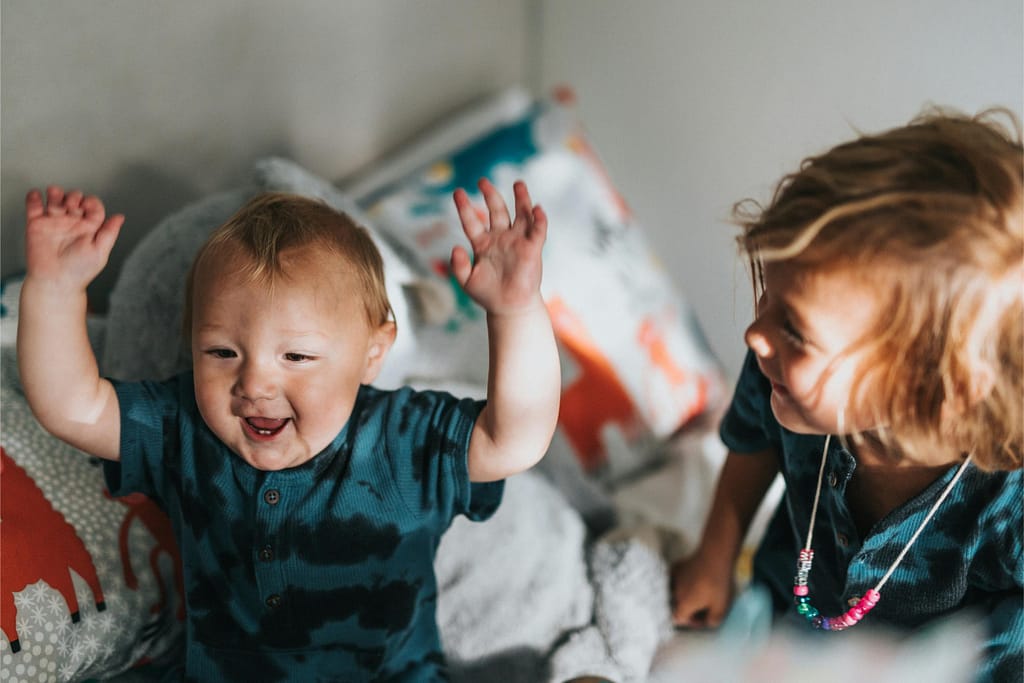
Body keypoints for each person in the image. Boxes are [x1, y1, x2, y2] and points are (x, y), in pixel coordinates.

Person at [17, 178, 560, 681]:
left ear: (373, 353)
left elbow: (513, 440)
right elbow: (73, 407)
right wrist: (55, 291)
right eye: (222, 352)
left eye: (296, 355)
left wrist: (515, 313)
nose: (254, 383)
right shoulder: (181, 428)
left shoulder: (406, 439)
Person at [669, 108, 1022, 682]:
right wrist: (714, 553)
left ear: (930, 385)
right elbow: (753, 439)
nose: (755, 335)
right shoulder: (781, 377)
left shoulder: (1006, 505)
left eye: (796, 329)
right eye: (767, 297)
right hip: (789, 615)